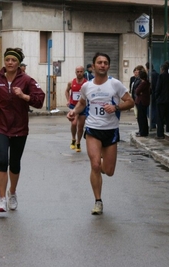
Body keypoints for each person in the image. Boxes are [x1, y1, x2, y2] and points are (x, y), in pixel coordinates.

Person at [67, 52, 134, 215]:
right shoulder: (87, 86)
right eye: (99, 62)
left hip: (110, 131)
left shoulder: (115, 84)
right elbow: (82, 103)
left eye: (105, 62)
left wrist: (116, 107)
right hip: (93, 129)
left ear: (108, 66)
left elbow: (130, 101)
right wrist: (74, 112)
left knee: (109, 171)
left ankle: (102, 165)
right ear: (94, 66)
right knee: (95, 165)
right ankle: (98, 201)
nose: (102, 65)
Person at [0, 47, 45, 213]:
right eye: (8, 59)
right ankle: (1, 200)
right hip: (0, 125)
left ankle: (12, 193)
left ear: (18, 63)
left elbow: (39, 100)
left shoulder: (27, 80)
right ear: (4, 61)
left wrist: (24, 96)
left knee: (14, 163)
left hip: (19, 127)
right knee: (2, 160)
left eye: (13, 60)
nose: (10, 62)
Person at [65, 66, 87, 152]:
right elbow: (67, 91)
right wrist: (68, 100)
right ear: (75, 72)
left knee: (80, 127)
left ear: (83, 72)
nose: (79, 73)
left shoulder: (87, 83)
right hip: (73, 107)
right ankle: (73, 138)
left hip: (83, 107)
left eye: (81, 71)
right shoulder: (71, 82)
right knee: (74, 124)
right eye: (78, 71)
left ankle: (78, 142)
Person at [155, 63, 169, 139]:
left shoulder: (161, 77)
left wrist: (157, 97)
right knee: (168, 118)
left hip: (161, 101)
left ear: (162, 69)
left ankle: (160, 134)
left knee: (160, 118)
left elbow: (158, 89)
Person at [134, 70, 150, 137]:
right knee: (143, 117)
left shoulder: (143, 83)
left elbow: (137, 91)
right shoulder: (147, 83)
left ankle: (142, 132)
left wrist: (140, 92)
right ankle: (142, 131)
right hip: (143, 101)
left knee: (141, 117)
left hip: (141, 102)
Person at [146, 62, 159, 130]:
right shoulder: (157, 74)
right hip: (156, 94)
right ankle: (154, 123)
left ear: (147, 67)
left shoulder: (149, 75)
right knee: (155, 109)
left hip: (151, 94)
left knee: (151, 110)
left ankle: (152, 123)